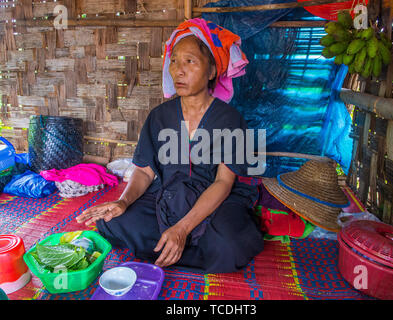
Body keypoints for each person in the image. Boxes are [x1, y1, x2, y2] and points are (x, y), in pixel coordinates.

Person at [76, 22, 264, 273]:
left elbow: (223, 183)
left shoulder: (230, 120)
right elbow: (144, 172)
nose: (178, 71)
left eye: (190, 61)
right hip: (169, 194)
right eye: (174, 61)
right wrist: (123, 202)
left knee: (229, 245)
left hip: (213, 200)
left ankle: (175, 244)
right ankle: (177, 246)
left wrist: (182, 228)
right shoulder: (159, 117)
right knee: (115, 221)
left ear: (211, 71)